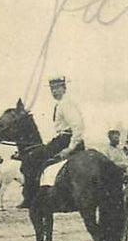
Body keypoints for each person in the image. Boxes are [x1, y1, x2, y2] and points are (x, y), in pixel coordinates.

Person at [20, 75, 84, 208]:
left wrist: (70, 148)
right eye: (52, 89)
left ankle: (32, 198)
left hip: (67, 140)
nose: (54, 92)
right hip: (62, 138)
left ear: (64, 88)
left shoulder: (66, 103)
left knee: (31, 159)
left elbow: (77, 126)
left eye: (58, 88)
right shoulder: (60, 104)